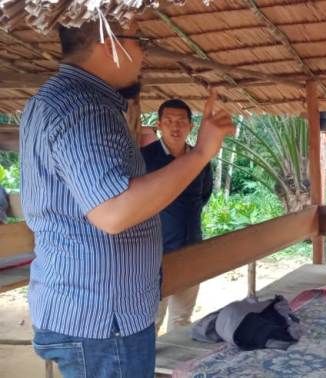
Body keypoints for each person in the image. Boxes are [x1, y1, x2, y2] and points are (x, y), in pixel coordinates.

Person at [20, 20, 233, 378]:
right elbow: (113, 212)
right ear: (110, 44)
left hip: (88, 309)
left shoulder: (56, 100)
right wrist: (200, 155)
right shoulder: (83, 107)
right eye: (141, 41)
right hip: (103, 320)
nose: (144, 52)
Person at [141, 99, 213, 334]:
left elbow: (203, 196)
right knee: (151, 318)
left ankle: (173, 370)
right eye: (169, 121)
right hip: (153, 253)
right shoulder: (143, 158)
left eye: (181, 122)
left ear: (191, 127)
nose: (175, 127)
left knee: (182, 318)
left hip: (191, 248)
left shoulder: (201, 159)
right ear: (159, 125)